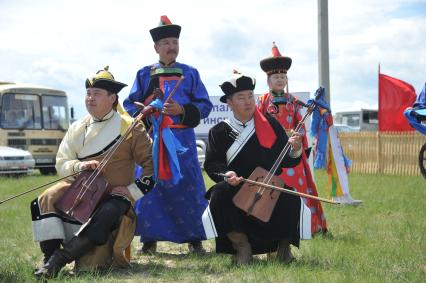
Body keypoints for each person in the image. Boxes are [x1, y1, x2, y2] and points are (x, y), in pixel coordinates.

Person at [31, 66, 155, 278]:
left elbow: (152, 168)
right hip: (79, 189)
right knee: (45, 198)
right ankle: (50, 259)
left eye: (96, 94)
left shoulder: (131, 128)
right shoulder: (77, 127)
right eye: (88, 93)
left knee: (89, 267)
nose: (90, 98)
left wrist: (132, 192)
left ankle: (60, 258)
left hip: (114, 196)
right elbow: (62, 162)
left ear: (112, 98)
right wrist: (79, 166)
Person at [124, 15, 213, 254]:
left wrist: (182, 110)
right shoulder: (144, 74)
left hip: (182, 140)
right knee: (152, 184)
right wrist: (148, 110)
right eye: (166, 43)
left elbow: (205, 105)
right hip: (153, 140)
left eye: (174, 42)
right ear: (156, 47)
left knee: (188, 184)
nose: (171, 46)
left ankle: (195, 237)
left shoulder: (190, 73)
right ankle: (149, 238)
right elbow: (129, 104)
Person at [203, 71, 304, 264]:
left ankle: (280, 248)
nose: (248, 101)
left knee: (291, 196)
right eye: (241, 98)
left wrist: (296, 149)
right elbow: (213, 163)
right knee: (219, 194)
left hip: (267, 186)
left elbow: (286, 161)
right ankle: (241, 246)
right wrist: (226, 174)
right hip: (236, 185)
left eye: (251, 96)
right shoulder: (219, 131)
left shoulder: (270, 125)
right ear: (229, 102)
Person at [257, 42, 327, 234]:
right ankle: (272, 226)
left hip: (292, 151)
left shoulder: (293, 102)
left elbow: (300, 124)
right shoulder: (262, 102)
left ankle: (306, 226)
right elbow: (259, 125)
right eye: (276, 77)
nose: (280, 80)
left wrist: (297, 136)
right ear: (269, 80)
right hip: (272, 152)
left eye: (283, 77)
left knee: (298, 187)